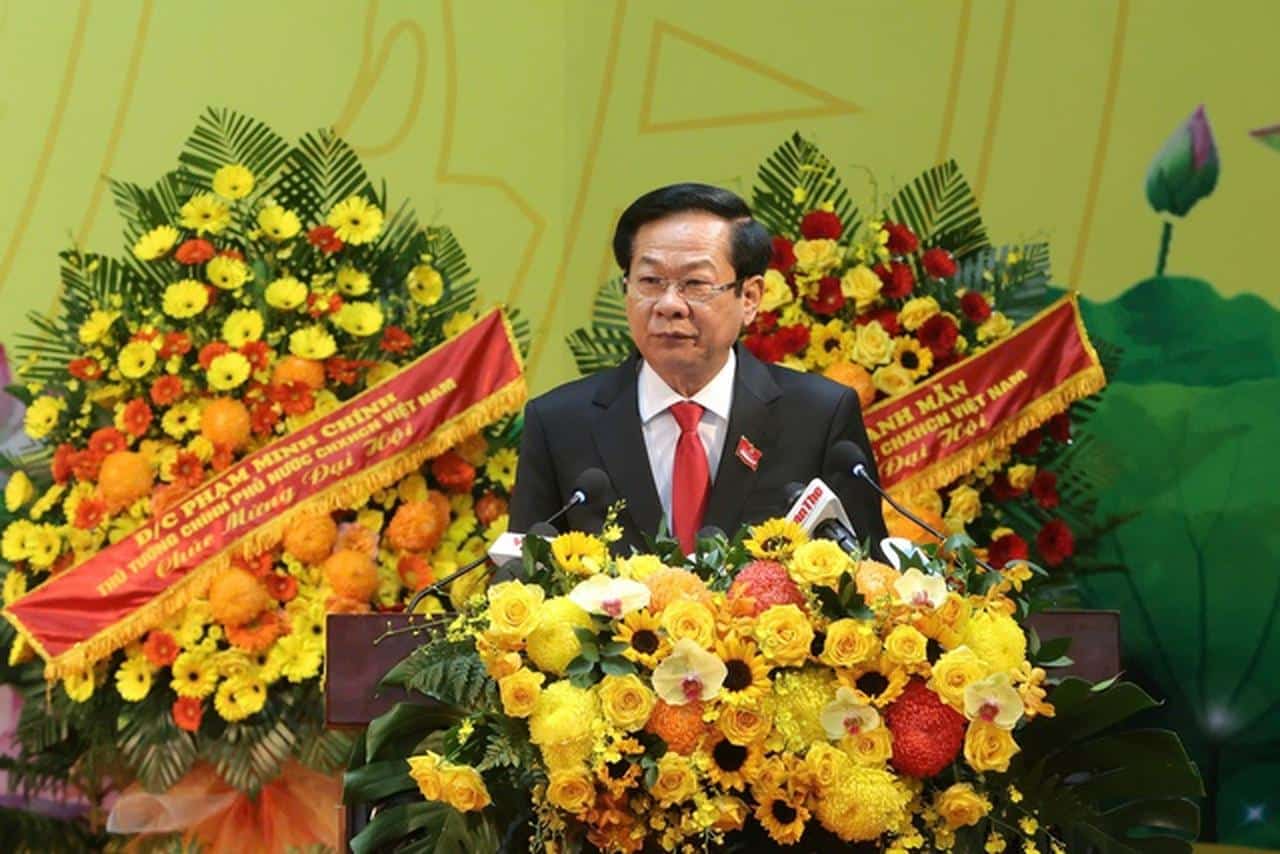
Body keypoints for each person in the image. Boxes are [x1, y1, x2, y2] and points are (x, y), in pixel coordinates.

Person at [509, 182, 887, 556]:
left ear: (750, 298)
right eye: (650, 281)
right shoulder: (560, 424)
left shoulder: (818, 417)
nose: (669, 305)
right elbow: (522, 578)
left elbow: (868, 574)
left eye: (695, 283)